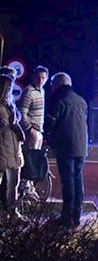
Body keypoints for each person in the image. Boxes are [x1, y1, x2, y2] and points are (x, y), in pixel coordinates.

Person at [44, 73, 88, 228]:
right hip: (81, 147)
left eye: (52, 84)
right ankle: (76, 215)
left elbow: (50, 123)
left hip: (65, 147)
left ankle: (66, 217)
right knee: (77, 180)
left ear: (58, 84)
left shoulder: (58, 99)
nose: (51, 87)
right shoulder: (81, 100)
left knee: (68, 182)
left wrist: (47, 138)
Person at [16, 66, 47, 201]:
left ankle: (30, 188)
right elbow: (22, 113)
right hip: (32, 131)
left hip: (38, 131)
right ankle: (26, 188)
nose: (41, 80)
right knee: (30, 161)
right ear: (33, 77)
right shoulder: (29, 92)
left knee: (34, 160)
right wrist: (30, 129)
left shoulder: (42, 92)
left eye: (43, 78)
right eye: (38, 77)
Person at [0, 75, 26, 220]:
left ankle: (12, 212)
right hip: (3, 146)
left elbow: (15, 123)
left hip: (14, 147)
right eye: (7, 86)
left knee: (13, 183)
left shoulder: (11, 105)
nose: (10, 89)